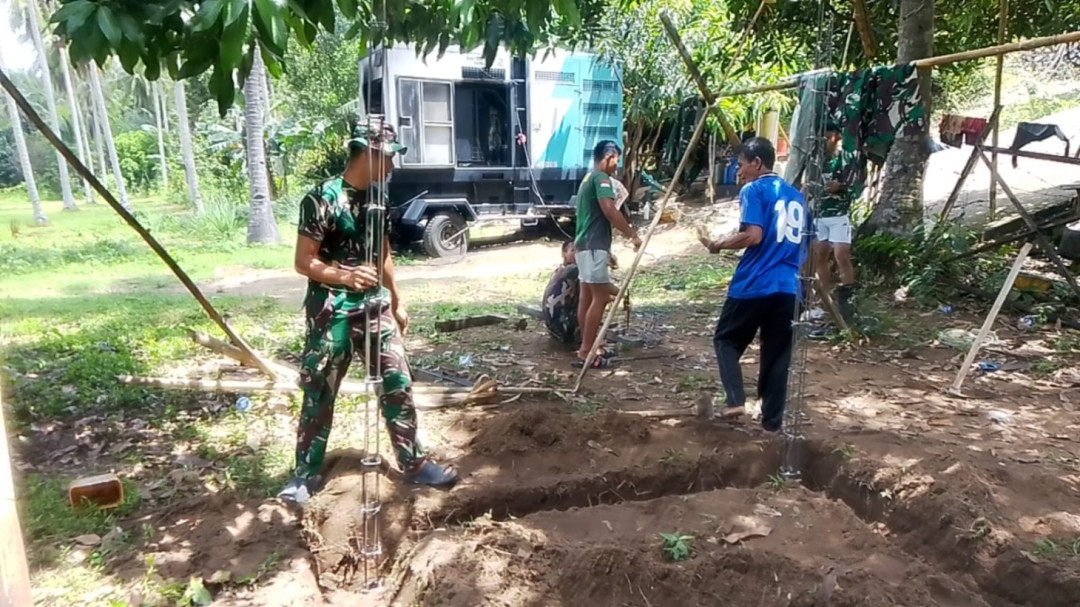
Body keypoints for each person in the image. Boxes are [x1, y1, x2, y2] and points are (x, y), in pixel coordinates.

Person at [278, 123, 458, 504]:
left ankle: (413, 463)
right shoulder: (321, 198)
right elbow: (303, 261)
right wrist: (344, 275)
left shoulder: (379, 200)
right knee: (320, 389)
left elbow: (385, 253)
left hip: (375, 307)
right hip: (333, 310)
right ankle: (304, 476)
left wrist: (396, 299)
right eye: (389, 156)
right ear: (368, 153)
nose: (392, 166)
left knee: (397, 382)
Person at [697, 137, 806, 433]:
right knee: (776, 354)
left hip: (756, 282)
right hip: (789, 286)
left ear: (757, 163)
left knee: (726, 340)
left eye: (741, 164)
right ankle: (772, 424)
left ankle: (735, 399)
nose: (739, 171)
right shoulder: (797, 196)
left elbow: (754, 236)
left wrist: (718, 244)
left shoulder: (754, 189)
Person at [574, 140, 641, 368]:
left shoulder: (586, 179)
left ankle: (590, 345)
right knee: (600, 297)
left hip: (583, 244)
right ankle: (587, 349)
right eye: (617, 160)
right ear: (609, 157)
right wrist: (631, 234)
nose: (617, 166)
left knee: (587, 296)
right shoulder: (601, 179)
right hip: (594, 245)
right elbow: (609, 210)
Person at [814, 122, 858, 322]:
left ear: (837, 137)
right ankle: (825, 299)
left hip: (839, 213)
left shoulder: (846, 158)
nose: (825, 141)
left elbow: (856, 184)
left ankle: (848, 298)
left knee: (841, 254)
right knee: (820, 254)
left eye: (829, 137)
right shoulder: (816, 160)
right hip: (819, 213)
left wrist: (840, 187)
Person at [543, 241, 620, 347]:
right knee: (589, 305)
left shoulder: (561, 269)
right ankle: (586, 340)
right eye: (573, 250)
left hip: (554, 324)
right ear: (564, 253)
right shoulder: (573, 270)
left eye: (579, 250)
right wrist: (622, 293)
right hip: (563, 323)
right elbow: (603, 287)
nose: (577, 254)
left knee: (589, 301)